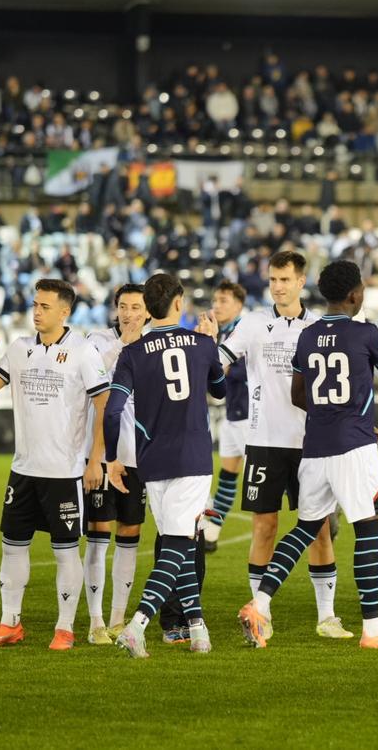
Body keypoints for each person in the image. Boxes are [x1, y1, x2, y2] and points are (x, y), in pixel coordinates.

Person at [237, 260, 378, 650]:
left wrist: (326, 414)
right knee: (367, 530)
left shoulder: (308, 335)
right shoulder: (365, 333)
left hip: (314, 449)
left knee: (304, 528)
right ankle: (372, 631)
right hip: (353, 447)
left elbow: (297, 395)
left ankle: (260, 602)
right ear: (355, 295)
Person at [0, 279, 111, 651]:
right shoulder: (19, 349)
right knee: (12, 547)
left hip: (64, 473)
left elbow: (103, 403)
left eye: (45, 306)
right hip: (23, 469)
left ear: (64, 312)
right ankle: (9, 623)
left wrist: (95, 458)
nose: (36, 312)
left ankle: (64, 627)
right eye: (35, 305)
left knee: (65, 551)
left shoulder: (83, 351)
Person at [216, 251, 348, 639]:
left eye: (285, 280)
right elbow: (221, 361)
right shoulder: (253, 323)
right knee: (265, 527)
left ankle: (327, 617)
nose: (277, 286)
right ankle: (260, 614)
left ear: (301, 281)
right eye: (273, 279)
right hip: (264, 441)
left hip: (313, 443)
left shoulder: (321, 325)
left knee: (319, 529)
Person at [105, 273, 227, 658]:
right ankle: (137, 624)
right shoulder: (202, 344)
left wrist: (111, 458)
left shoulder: (132, 353)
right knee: (179, 546)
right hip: (192, 457)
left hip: (152, 461)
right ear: (179, 303)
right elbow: (221, 391)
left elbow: (112, 412)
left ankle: (197, 627)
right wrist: (214, 343)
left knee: (179, 542)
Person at [82, 284, 150, 644]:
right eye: (123, 306)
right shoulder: (96, 341)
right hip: (104, 455)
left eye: (136, 307)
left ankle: (118, 617)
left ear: (148, 312)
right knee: (98, 536)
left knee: (129, 534)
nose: (128, 313)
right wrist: (124, 345)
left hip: (138, 458)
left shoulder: (154, 348)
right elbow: (93, 386)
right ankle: (95, 621)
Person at [202, 280, 249, 552]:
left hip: (253, 419)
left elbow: (247, 371)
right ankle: (211, 533)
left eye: (224, 301)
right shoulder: (220, 333)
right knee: (228, 477)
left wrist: (221, 368)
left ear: (239, 304)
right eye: (215, 300)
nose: (217, 305)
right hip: (234, 416)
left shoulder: (245, 331)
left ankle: (326, 517)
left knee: (279, 485)